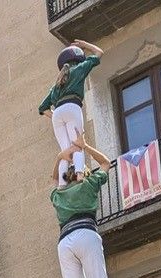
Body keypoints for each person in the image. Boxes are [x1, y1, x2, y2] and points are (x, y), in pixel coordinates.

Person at [51, 135, 114, 278]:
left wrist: (60, 157)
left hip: (64, 242)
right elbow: (106, 163)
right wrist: (85, 146)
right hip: (86, 234)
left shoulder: (59, 195)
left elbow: (54, 180)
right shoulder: (88, 184)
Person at [39, 41, 104, 184]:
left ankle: (62, 185)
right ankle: (80, 175)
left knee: (65, 151)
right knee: (78, 145)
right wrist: (85, 44)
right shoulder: (80, 69)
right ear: (78, 59)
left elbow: (42, 108)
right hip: (72, 106)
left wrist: (55, 116)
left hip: (57, 113)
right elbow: (99, 52)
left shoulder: (56, 85)